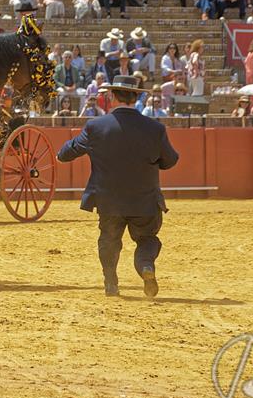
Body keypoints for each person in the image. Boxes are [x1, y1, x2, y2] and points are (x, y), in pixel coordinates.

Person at [58, 74, 178, 297]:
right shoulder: (155, 129)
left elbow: (66, 154)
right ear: (136, 97)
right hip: (145, 201)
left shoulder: (96, 126)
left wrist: (69, 148)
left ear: (112, 96)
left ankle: (111, 282)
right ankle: (145, 266)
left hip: (109, 201)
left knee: (109, 239)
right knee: (147, 239)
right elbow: (170, 161)